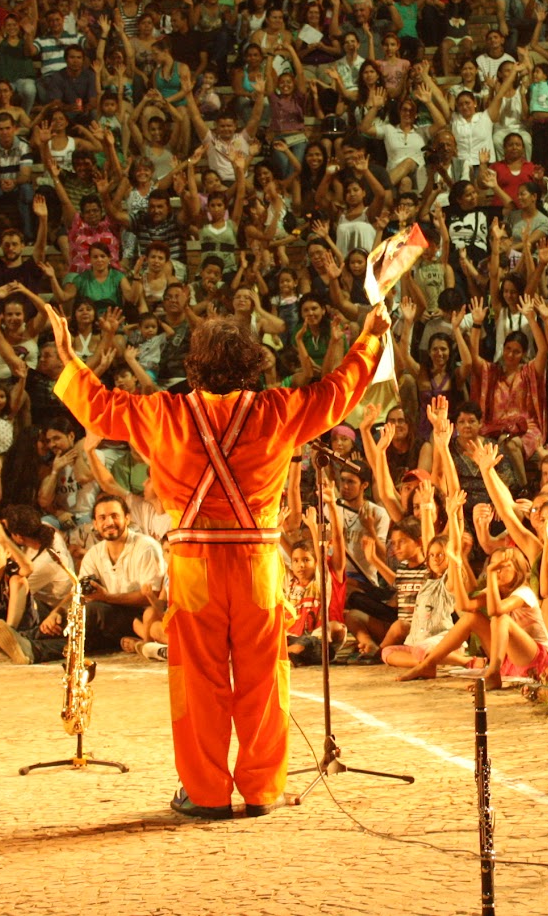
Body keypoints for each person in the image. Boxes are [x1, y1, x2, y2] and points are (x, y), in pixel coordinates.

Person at [44, 298, 389, 818]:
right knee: (264, 677)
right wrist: (369, 337)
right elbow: (338, 391)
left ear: (194, 366)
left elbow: (100, 406)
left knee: (199, 682)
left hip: (194, 568)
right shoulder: (278, 409)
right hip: (257, 566)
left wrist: (71, 356)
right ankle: (261, 789)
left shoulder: (165, 413)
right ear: (253, 363)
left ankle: (204, 792)